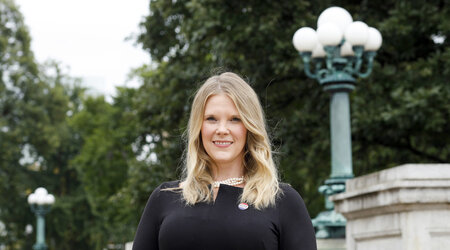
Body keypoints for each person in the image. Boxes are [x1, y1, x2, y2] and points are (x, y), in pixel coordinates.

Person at [132, 72, 317, 250]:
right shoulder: (164, 198)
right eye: (211, 119)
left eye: (235, 119)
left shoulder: (283, 201)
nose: (222, 129)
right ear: (199, 126)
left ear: (250, 127)